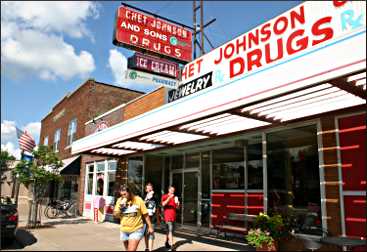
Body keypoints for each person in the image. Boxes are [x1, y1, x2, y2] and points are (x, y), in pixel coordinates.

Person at [113, 185, 154, 251]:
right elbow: (115, 215)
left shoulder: (138, 200)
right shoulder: (119, 200)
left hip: (136, 229)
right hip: (124, 230)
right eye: (122, 195)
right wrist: (121, 208)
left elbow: (145, 214)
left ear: (129, 192)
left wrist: (150, 226)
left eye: (125, 194)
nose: (123, 196)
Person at [161, 186, 180, 251]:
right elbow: (163, 204)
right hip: (167, 216)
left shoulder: (175, 197)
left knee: (169, 231)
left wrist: (178, 204)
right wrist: (169, 198)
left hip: (173, 217)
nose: (172, 191)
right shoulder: (165, 196)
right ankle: (172, 246)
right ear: (168, 190)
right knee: (170, 230)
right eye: (171, 190)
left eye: (173, 190)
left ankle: (166, 242)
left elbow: (177, 208)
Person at [143, 183, 157, 251]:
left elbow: (157, 208)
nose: (150, 189)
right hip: (145, 218)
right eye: (148, 188)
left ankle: (150, 250)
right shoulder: (144, 196)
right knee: (146, 234)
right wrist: (147, 198)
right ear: (146, 190)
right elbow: (142, 205)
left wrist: (158, 218)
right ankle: (147, 248)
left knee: (151, 234)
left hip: (153, 218)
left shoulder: (155, 197)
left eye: (151, 187)